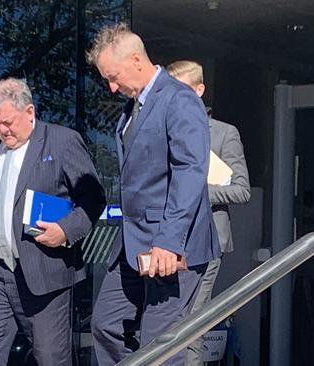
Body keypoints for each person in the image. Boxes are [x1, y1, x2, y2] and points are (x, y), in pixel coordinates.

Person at [86, 23, 220, 365]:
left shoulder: (179, 99)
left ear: (135, 59)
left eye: (113, 77)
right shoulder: (133, 109)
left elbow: (190, 171)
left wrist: (169, 241)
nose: (112, 87)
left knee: (160, 343)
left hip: (170, 248)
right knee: (105, 324)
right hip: (133, 245)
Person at [0, 77, 106, 366]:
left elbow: (93, 198)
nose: (2, 130)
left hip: (45, 270)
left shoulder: (61, 140)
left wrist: (66, 231)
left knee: (51, 358)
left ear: (30, 112)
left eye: (9, 122)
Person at [167, 60, 251, 365]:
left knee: (191, 324)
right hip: (167, 239)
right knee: (166, 322)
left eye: (182, 91)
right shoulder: (165, 130)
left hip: (207, 240)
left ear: (199, 91)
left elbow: (242, 190)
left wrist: (196, 190)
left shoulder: (224, 134)